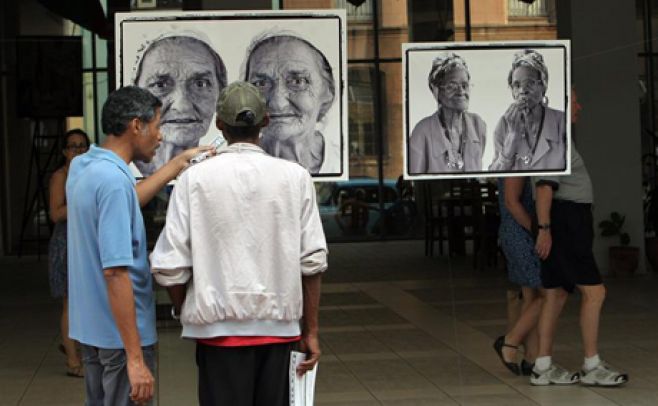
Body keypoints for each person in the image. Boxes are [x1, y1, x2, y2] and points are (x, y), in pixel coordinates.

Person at [151, 81, 327, 406]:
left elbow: (168, 266)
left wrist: (184, 308)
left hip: (217, 336)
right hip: (280, 331)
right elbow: (312, 261)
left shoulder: (194, 179)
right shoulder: (295, 177)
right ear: (266, 121)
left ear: (219, 124)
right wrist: (311, 331)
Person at [66, 86, 212, 405]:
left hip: (92, 331)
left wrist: (178, 164)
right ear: (136, 125)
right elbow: (116, 273)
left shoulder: (84, 167)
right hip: (121, 339)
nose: (159, 136)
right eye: (157, 126)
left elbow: (126, 200)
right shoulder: (114, 183)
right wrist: (135, 359)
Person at [530, 89, 628, 386]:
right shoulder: (553, 136)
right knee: (595, 293)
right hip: (566, 221)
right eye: (574, 100)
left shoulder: (551, 135)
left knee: (557, 293)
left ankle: (543, 366)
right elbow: (545, 187)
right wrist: (545, 229)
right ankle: (591, 365)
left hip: (564, 220)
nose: (580, 106)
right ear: (558, 104)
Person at [133, 33, 227, 176]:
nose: (182, 106)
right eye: (160, 85)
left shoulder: (224, 170)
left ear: (220, 92)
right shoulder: (122, 172)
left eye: (200, 84)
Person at [243, 33, 337, 174]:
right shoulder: (235, 167)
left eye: (298, 81)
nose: (277, 103)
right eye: (261, 83)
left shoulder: (338, 162)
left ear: (327, 93)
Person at [48, 128, 90, 378]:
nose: (78, 151)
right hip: (66, 244)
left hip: (85, 241)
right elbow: (55, 214)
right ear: (65, 152)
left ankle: (76, 349)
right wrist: (81, 200)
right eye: (73, 146)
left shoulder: (88, 174)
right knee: (70, 302)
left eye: (82, 146)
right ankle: (73, 361)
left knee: (86, 301)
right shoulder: (60, 176)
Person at [493, 177, 542, 376]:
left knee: (530, 296)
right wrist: (538, 231)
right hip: (521, 234)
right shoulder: (517, 161)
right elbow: (511, 202)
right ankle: (509, 341)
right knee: (551, 293)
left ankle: (532, 356)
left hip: (516, 233)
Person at [408, 52, 486, 174]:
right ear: (436, 91)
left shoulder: (478, 124)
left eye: (465, 85)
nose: (461, 91)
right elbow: (416, 181)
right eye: (452, 86)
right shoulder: (421, 132)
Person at [489, 50, 566, 172]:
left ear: (543, 86)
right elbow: (493, 176)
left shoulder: (562, 122)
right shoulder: (503, 124)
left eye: (529, 83)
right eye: (516, 85)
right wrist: (512, 137)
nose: (522, 90)